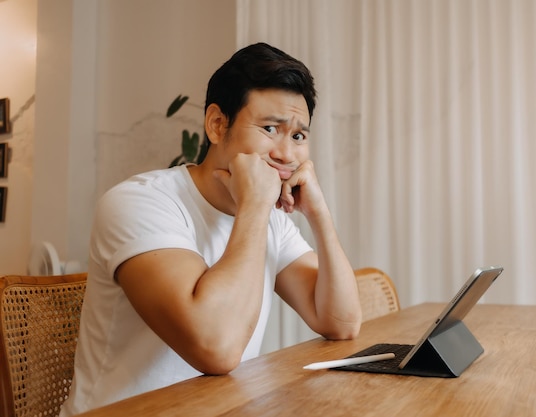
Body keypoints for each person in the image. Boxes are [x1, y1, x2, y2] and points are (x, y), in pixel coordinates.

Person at [59, 42, 362, 416]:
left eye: (298, 136)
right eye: (270, 128)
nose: (286, 154)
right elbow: (216, 348)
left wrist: (319, 214)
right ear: (218, 125)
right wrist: (254, 206)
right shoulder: (140, 203)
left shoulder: (272, 221)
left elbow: (341, 322)